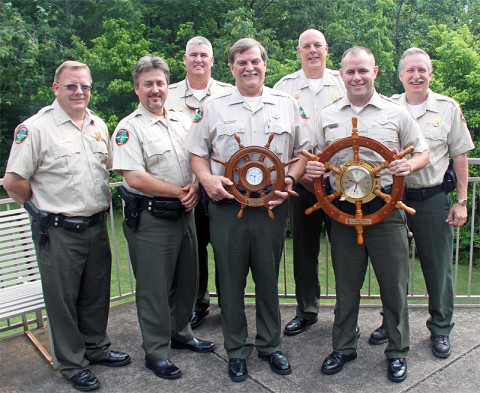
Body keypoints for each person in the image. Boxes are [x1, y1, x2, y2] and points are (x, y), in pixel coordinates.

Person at [185, 38, 309, 382]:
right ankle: (237, 349)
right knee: (231, 280)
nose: (249, 68)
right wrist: (207, 180)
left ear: (265, 64)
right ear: (232, 67)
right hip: (227, 208)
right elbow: (196, 152)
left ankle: (270, 345)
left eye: (254, 61)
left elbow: (302, 153)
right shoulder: (213, 106)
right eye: (241, 62)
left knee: (269, 279)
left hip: (271, 206)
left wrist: (290, 182)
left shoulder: (286, 104)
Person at [3, 60, 130, 392]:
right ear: (56, 88)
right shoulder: (35, 128)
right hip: (58, 230)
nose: (79, 92)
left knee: (95, 294)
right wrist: (43, 208)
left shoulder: (98, 125)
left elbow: (108, 168)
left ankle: (97, 348)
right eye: (71, 85)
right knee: (62, 300)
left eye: (85, 86)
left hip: (96, 225)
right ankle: (72, 363)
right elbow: (13, 181)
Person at [306, 47, 429, 383]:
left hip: (386, 210)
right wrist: (313, 168)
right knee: (346, 287)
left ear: (374, 71)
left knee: (394, 286)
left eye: (363, 71)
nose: (357, 77)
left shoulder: (397, 112)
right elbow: (312, 160)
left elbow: (422, 151)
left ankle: (398, 351)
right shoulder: (327, 116)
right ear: (341, 75)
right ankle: (344, 347)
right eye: (350, 72)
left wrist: (409, 164)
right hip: (342, 212)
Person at [111, 55, 215, 380]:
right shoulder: (129, 128)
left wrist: (197, 185)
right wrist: (179, 192)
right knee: (154, 290)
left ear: (167, 86)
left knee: (187, 280)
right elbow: (133, 177)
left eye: (159, 83)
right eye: (148, 84)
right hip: (152, 220)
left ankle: (181, 334)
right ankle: (155, 352)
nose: (155, 90)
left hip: (185, 214)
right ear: (136, 89)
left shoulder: (183, 120)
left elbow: (200, 157)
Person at [368, 48, 475, 358]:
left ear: (430, 74)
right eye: (410, 70)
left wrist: (462, 201)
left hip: (431, 198)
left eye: (422, 70)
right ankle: (391, 323)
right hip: (391, 199)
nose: (416, 75)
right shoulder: (386, 107)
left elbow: (460, 156)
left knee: (437, 267)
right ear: (401, 75)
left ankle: (440, 328)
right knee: (393, 270)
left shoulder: (448, 108)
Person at [274, 28, 346, 336]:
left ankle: (347, 312)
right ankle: (307, 310)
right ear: (299, 50)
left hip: (342, 184)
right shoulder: (283, 87)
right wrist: (300, 176)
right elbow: (280, 137)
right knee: (303, 250)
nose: (312, 50)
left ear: (326, 48)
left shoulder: (345, 82)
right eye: (307, 46)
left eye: (318, 45)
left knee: (345, 252)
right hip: (300, 184)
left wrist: (334, 176)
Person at [165, 36, 232, 329]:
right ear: (184, 59)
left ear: (213, 60)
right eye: (193, 54)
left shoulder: (229, 93)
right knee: (194, 251)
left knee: (226, 248)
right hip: (187, 188)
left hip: (221, 185)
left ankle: (229, 304)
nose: (198, 60)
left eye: (204, 55)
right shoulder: (167, 95)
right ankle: (198, 303)